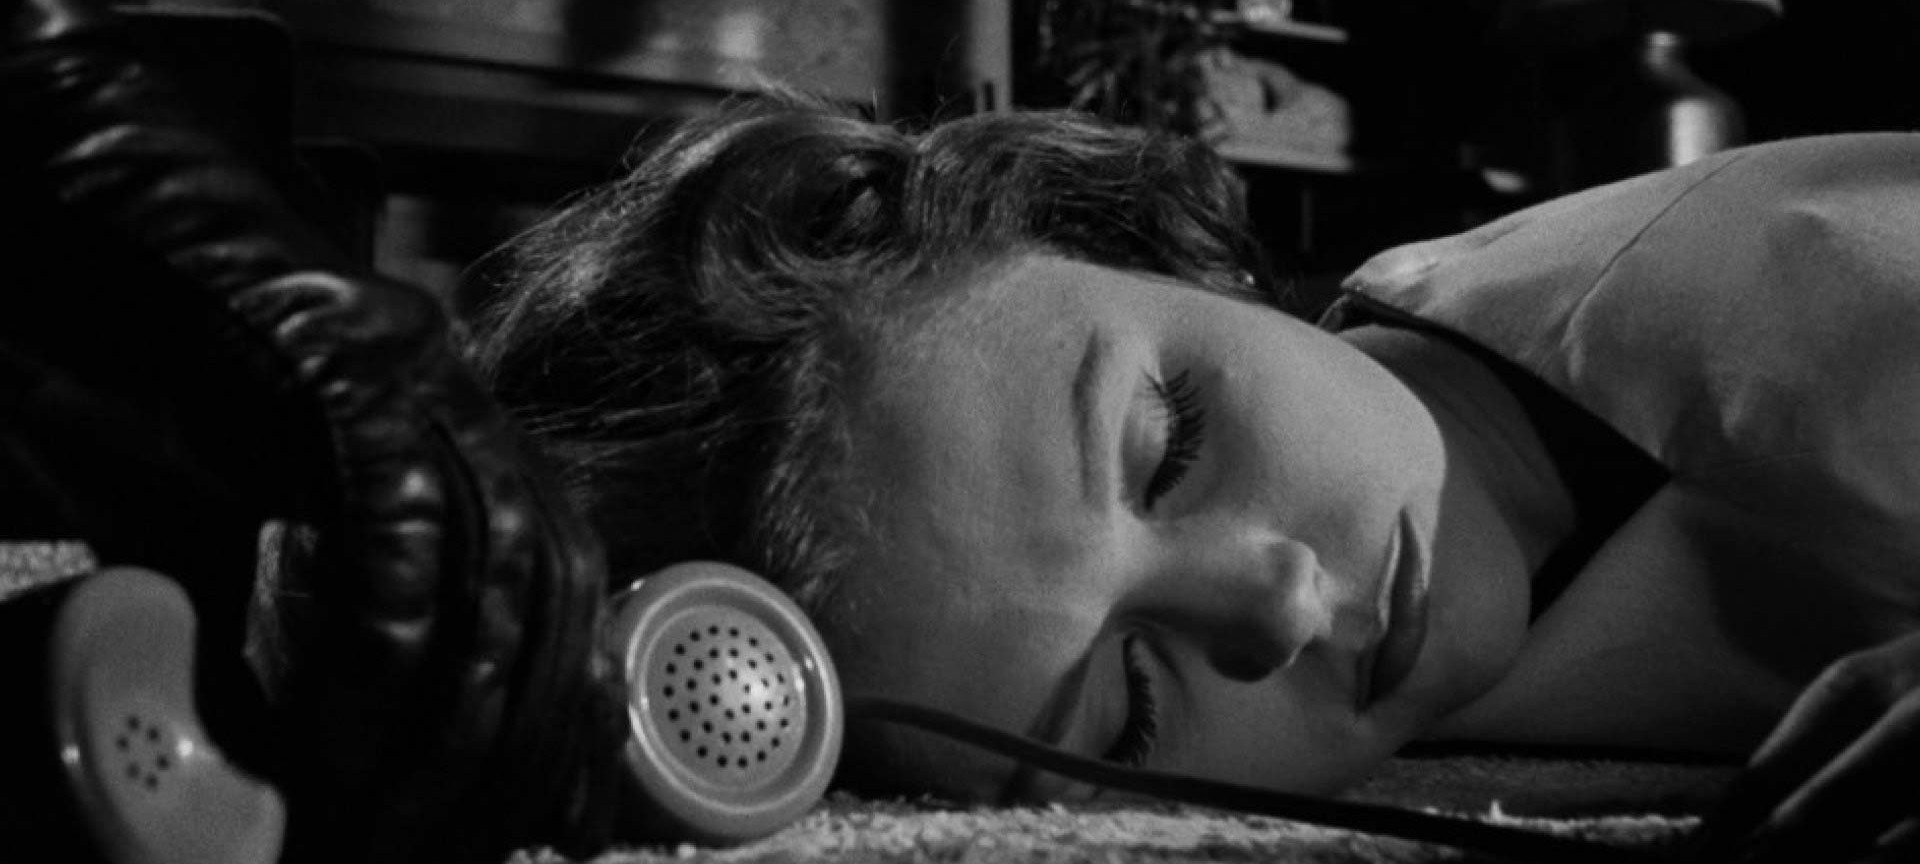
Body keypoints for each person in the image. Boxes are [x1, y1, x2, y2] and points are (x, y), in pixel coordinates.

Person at [470, 101, 1920, 863]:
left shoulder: (1829, 271)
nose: (1278, 605)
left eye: (1171, 442)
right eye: (1132, 711)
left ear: (1157, 257)